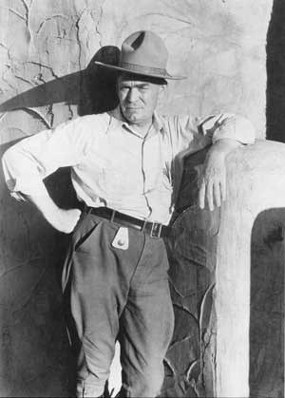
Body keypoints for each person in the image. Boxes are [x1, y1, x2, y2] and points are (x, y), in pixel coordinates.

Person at [2, 30, 255, 398]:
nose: (132, 98)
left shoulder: (174, 132)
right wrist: (56, 215)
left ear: (160, 90)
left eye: (143, 89)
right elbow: (16, 158)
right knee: (94, 365)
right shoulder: (90, 131)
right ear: (117, 85)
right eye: (125, 86)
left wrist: (219, 154)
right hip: (98, 247)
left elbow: (236, 123)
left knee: (149, 374)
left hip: (152, 252)